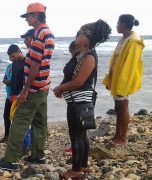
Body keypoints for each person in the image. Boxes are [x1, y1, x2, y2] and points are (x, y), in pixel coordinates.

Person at [0, 2, 55, 170]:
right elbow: (39, 61)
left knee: (19, 121)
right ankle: (38, 156)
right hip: (44, 86)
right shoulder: (48, 33)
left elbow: (35, 66)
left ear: (36, 16)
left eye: (28, 16)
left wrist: (25, 90)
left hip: (34, 87)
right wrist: (25, 59)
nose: (26, 20)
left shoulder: (38, 35)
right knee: (39, 122)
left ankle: (11, 160)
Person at [53, 20, 111, 179]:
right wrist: (62, 87)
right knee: (82, 134)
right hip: (76, 99)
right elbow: (72, 77)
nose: (76, 35)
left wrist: (60, 88)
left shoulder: (89, 56)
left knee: (76, 134)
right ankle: (83, 165)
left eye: (79, 33)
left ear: (87, 37)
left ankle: (76, 170)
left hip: (79, 100)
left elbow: (79, 81)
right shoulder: (83, 54)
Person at [102, 14, 145, 147]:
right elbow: (116, 61)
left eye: (118, 23)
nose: (116, 25)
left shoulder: (134, 41)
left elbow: (129, 65)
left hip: (124, 79)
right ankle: (117, 135)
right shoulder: (124, 39)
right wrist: (110, 79)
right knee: (118, 107)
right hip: (117, 77)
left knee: (123, 107)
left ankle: (123, 138)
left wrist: (121, 83)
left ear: (124, 24)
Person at [0, 52, 13, 143]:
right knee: (6, 116)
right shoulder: (9, 66)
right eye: (10, 57)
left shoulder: (20, 66)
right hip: (8, 95)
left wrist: (9, 81)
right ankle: (7, 135)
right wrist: (9, 81)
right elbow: (4, 79)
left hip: (16, 96)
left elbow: (16, 81)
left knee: (15, 116)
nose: (11, 59)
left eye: (12, 56)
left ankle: (16, 137)